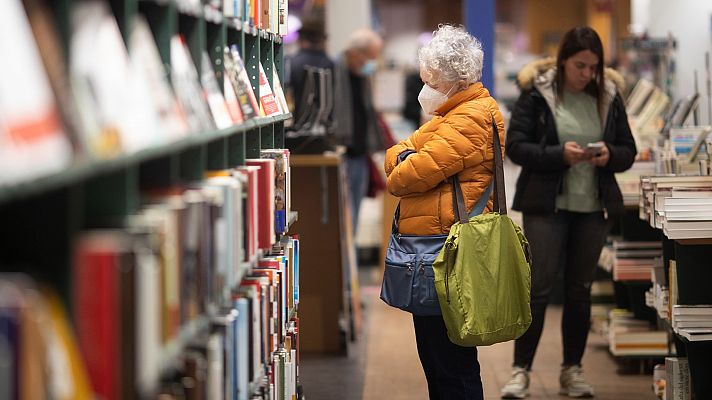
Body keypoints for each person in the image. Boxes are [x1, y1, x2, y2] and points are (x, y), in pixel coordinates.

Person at [501, 26, 636, 399]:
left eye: (594, 67)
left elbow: (628, 150)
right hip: (547, 206)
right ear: (562, 62)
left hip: (592, 207)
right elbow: (516, 147)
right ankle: (520, 371)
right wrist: (558, 155)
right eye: (580, 66)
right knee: (538, 289)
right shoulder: (538, 94)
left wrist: (610, 155)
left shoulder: (609, 95)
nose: (587, 74)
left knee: (580, 291)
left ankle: (572, 371)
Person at [384, 24, 504, 400]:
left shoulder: (470, 119)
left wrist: (407, 161)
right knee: (438, 359)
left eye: (430, 80)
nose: (425, 89)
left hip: (447, 250)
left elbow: (402, 178)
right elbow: (396, 153)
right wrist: (407, 159)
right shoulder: (450, 116)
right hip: (435, 246)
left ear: (453, 79)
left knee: (451, 361)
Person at [333, 28, 384, 232]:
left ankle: (351, 261)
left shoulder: (362, 78)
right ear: (355, 54)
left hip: (361, 155)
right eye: (369, 58)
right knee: (345, 218)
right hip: (342, 153)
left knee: (354, 217)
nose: (370, 64)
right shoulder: (333, 72)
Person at [285, 16, 334, 133]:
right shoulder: (331, 64)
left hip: (299, 130)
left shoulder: (291, 62)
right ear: (322, 40)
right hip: (327, 131)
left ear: (300, 39)